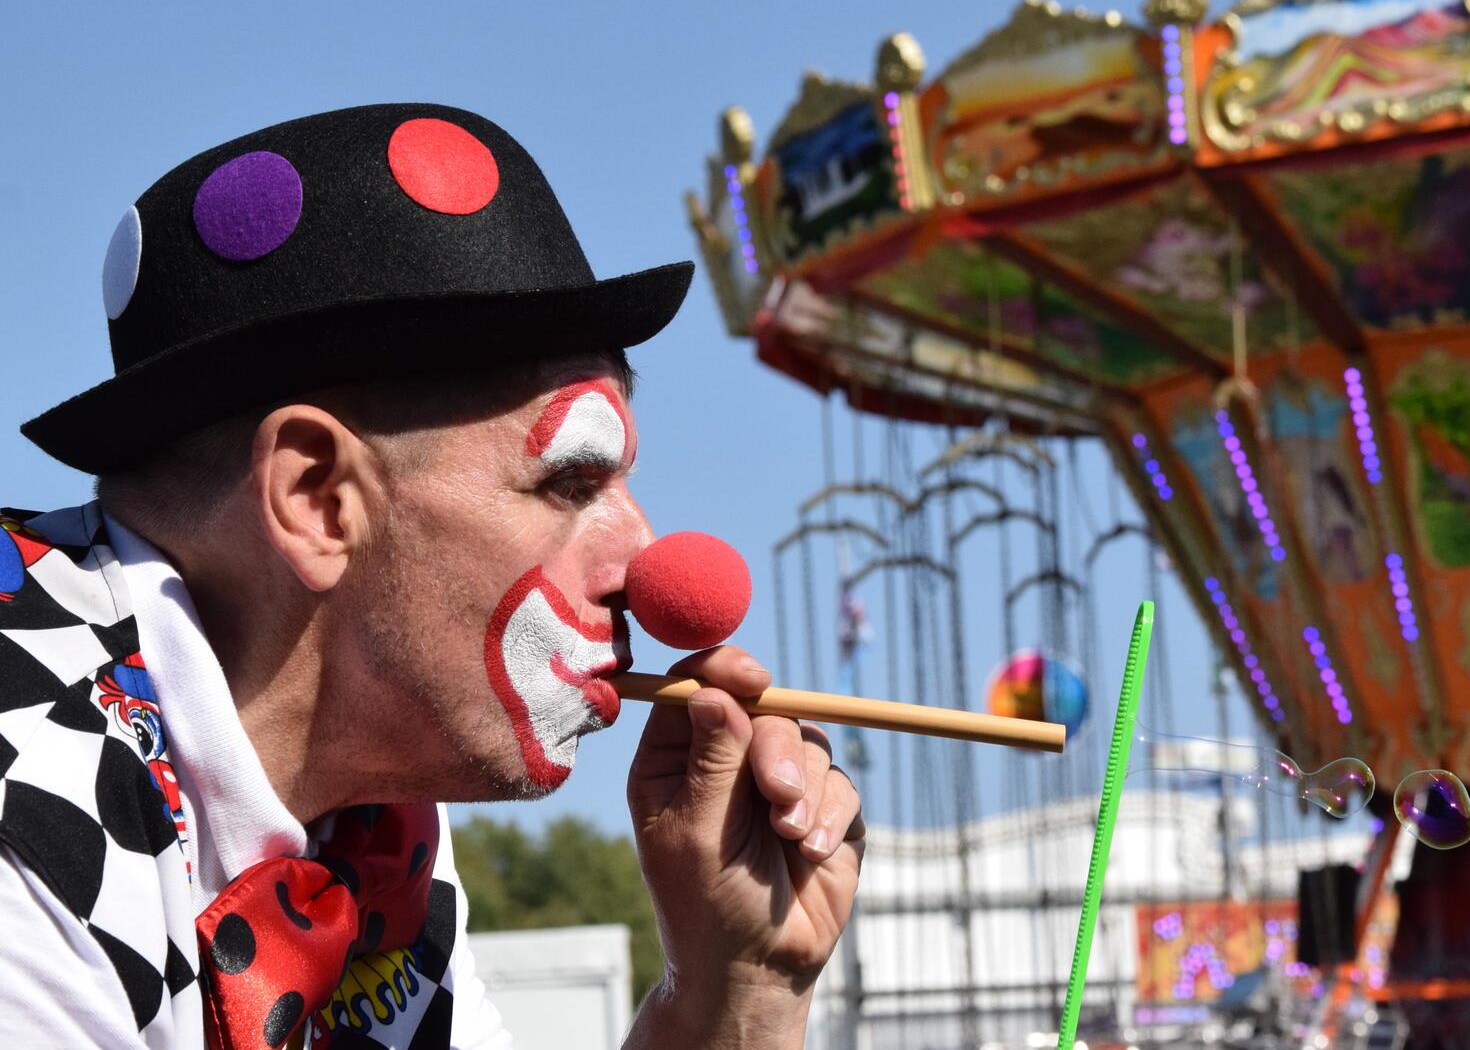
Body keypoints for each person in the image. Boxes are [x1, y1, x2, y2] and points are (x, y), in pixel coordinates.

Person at [0, 103, 864, 1049]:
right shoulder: (26, 816)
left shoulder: (370, 823)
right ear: (318, 500)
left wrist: (732, 993)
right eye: (569, 481)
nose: (648, 572)